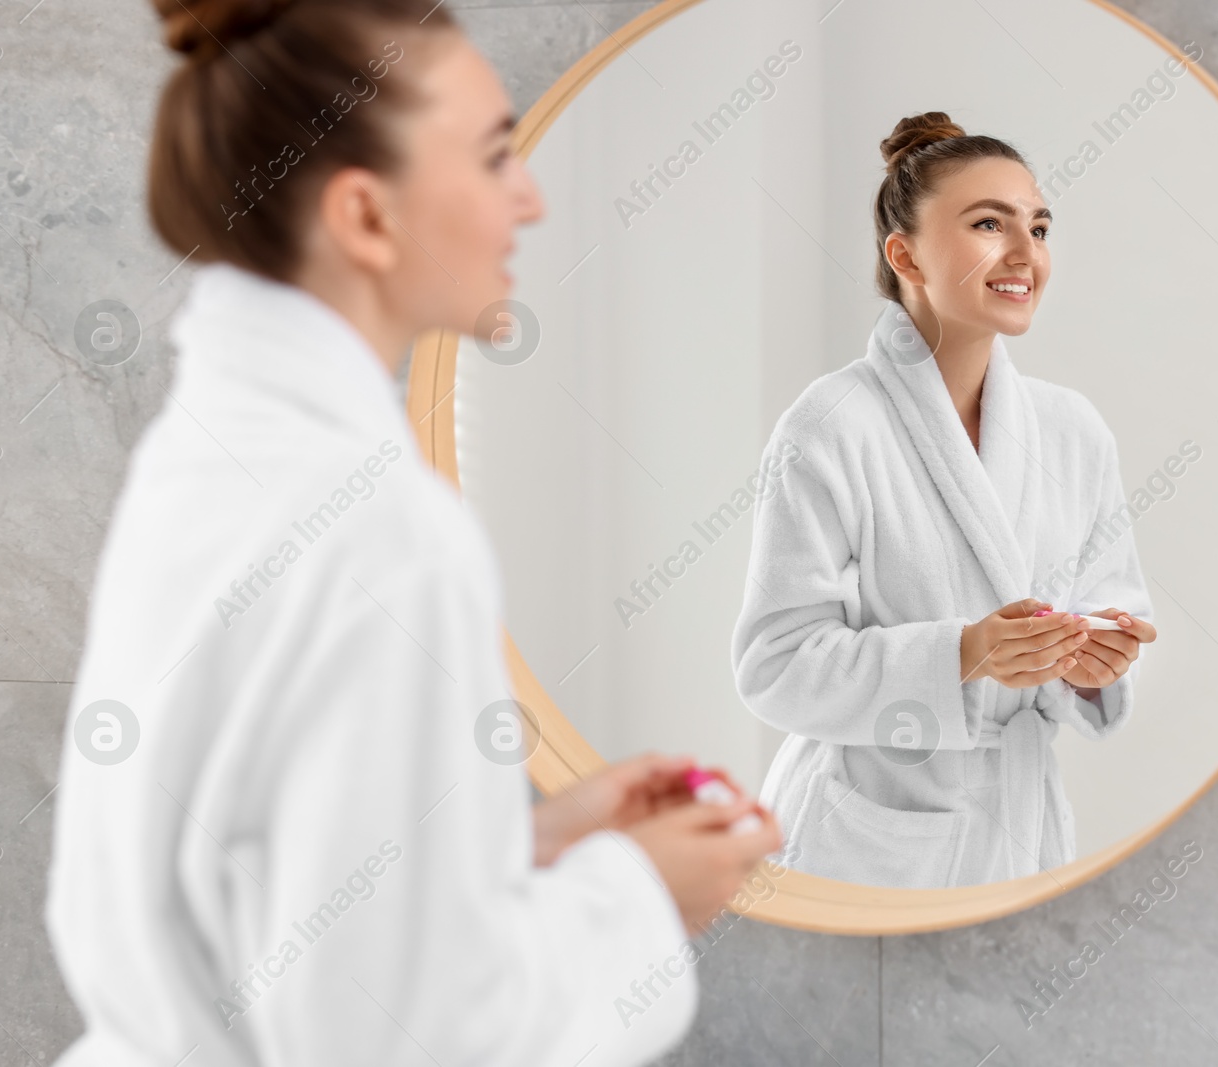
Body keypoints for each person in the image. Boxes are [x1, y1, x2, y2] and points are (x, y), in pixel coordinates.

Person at [44, 3, 782, 1065]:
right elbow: (406, 1035)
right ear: (366, 217)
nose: (527, 198)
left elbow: (277, 914)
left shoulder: (204, 459)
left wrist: (512, 850)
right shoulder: (380, 531)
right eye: (493, 157)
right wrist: (637, 895)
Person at [731, 112, 1157, 891]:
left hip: (1025, 836)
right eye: (989, 224)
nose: (1026, 254)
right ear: (905, 254)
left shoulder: (1072, 431)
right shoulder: (831, 427)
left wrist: (1092, 664)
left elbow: (1108, 606)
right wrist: (964, 653)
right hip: (870, 835)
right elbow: (776, 665)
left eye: (1039, 225)